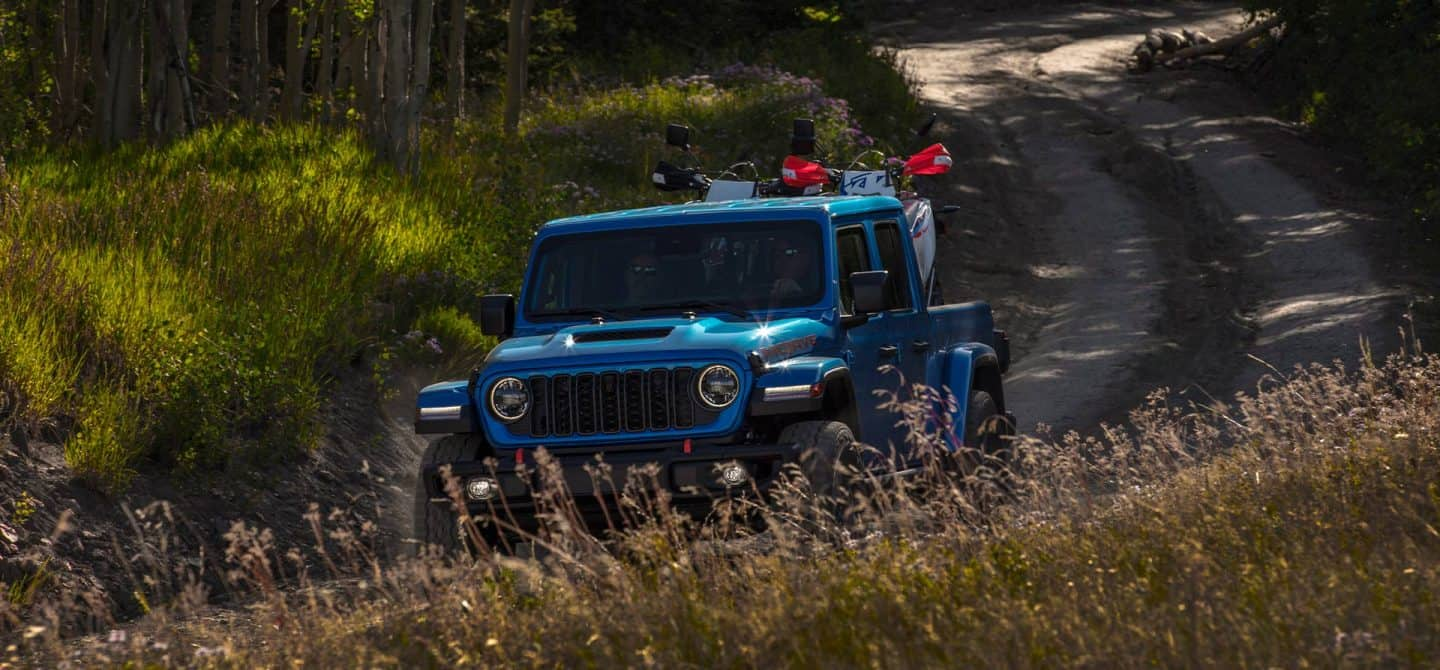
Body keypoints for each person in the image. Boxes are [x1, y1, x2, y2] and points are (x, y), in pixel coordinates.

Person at [769, 233, 815, 303]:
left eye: (789, 254)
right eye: (777, 255)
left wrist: (798, 293)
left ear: (805, 256)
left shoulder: (818, 289)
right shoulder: (765, 289)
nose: (782, 261)